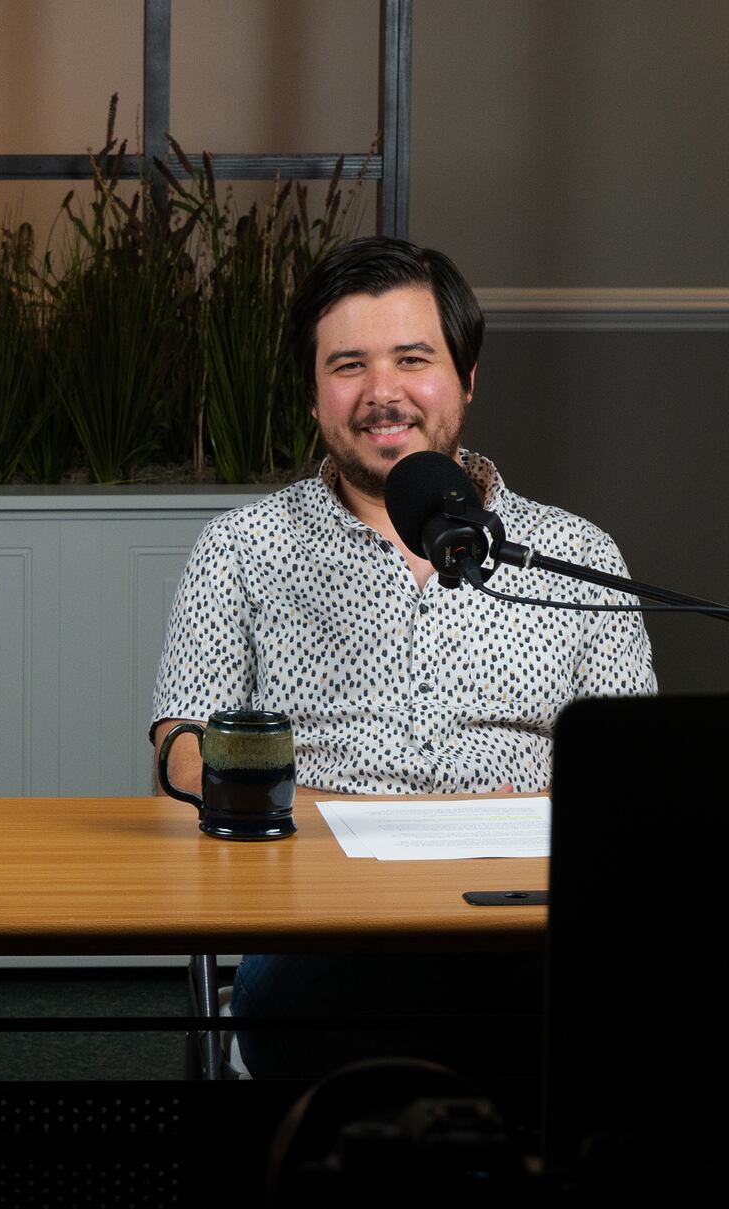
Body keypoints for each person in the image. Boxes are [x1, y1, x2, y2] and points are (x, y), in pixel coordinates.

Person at [149, 235, 655, 1079]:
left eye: (412, 359)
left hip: (525, 914)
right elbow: (180, 746)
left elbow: (632, 775)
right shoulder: (241, 549)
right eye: (348, 365)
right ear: (314, 397)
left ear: (465, 379)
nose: (382, 394)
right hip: (322, 920)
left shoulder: (578, 553)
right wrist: (305, 810)